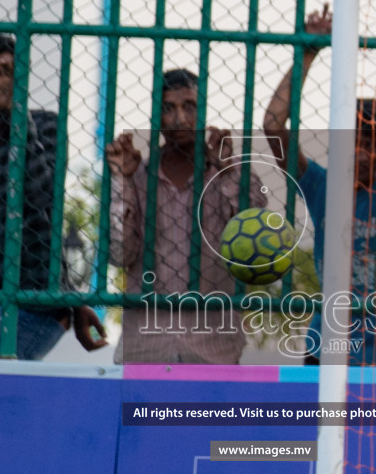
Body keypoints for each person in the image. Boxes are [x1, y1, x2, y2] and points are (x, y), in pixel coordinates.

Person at [261, 0, 376, 365]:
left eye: (372, 139)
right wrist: (308, 53)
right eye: (354, 136)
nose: (362, 148)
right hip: (324, 349)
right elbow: (273, 125)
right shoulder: (323, 186)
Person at [0, 34, 106, 359]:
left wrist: (16, 120)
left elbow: (40, 195)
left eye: (3, 73)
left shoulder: (46, 126)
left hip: (36, 299)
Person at [107, 68, 265, 364]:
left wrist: (228, 172)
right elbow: (118, 254)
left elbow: (256, 251)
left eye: (189, 107)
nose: (179, 118)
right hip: (146, 343)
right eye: (168, 109)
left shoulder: (232, 171)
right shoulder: (137, 175)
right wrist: (122, 183)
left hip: (213, 344)